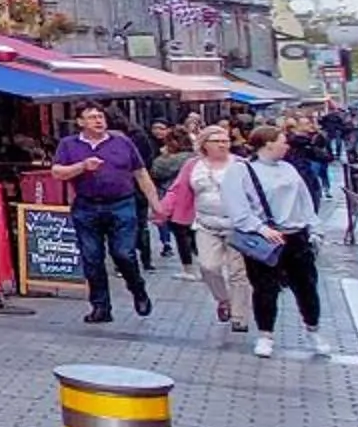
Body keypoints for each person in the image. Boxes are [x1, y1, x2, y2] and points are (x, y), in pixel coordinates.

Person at [50, 106, 157, 324]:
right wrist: (82, 166)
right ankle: (101, 307)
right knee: (92, 258)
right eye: (92, 118)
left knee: (124, 253)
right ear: (80, 122)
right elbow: (57, 172)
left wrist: (156, 203)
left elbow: (141, 173)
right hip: (86, 206)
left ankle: (138, 290)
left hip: (121, 204)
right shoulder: (69, 144)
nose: (98, 121)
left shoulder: (122, 142)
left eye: (100, 117)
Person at [232, 125, 326, 359]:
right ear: (268, 144)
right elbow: (237, 208)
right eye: (283, 141)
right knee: (265, 288)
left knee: (306, 286)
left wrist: (314, 228)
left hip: (296, 235)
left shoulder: (289, 169)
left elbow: (305, 201)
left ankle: (313, 329)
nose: (287, 146)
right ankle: (265, 334)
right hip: (265, 239)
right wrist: (260, 228)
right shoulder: (243, 171)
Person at [176, 123, 254, 332]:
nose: (222, 145)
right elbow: (179, 190)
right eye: (217, 141)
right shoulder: (193, 165)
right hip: (206, 223)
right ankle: (223, 299)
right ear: (204, 144)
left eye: (225, 141)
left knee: (238, 272)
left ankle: (239, 316)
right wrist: (161, 210)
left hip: (237, 225)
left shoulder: (241, 165)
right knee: (208, 266)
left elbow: (255, 194)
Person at [150, 126, 201, 267]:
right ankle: (199, 258)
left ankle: (188, 265)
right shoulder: (196, 158)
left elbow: (155, 172)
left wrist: (163, 155)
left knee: (181, 234)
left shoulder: (166, 160)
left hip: (172, 197)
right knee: (193, 232)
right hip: (193, 198)